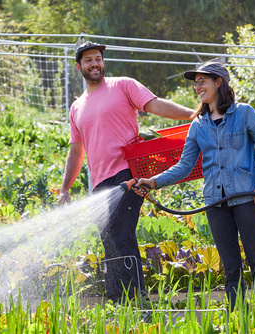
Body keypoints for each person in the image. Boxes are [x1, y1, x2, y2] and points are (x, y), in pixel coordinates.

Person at [133, 61, 255, 316]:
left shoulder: (244, 113)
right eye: (195, 83)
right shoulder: (198, 124)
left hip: (248, 198)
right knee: (230, 269)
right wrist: (153, 181)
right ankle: (238, 321)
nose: (197, 87)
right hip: (215, 204)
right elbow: (185, 166)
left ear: (218, 82)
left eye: (202, 81)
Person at [57, 41, 194, 303]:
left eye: (98, 58)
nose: (95, 63)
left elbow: (156, 105)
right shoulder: (77, 107)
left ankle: (133, 300)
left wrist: (192, 114)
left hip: (129, 172)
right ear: (79, 67)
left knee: (120, 232)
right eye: (88, 60)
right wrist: (65, 189)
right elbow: (76, 151)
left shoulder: (123, 85)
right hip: (100, 183)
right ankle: (119, 300)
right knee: (109, 238)